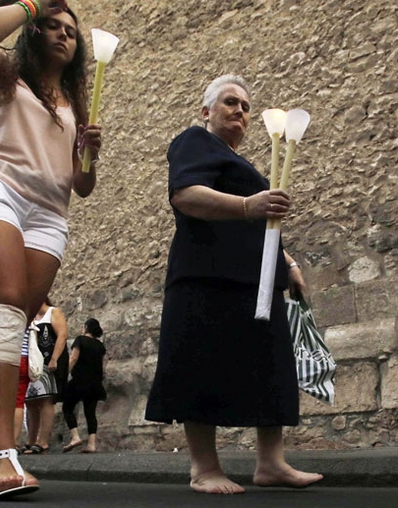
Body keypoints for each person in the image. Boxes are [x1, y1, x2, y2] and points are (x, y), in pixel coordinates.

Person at [0, 0, 102, 498]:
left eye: (71, 31)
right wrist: (32, 3)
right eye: (51, 26)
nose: (62, 34)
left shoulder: (75, 103)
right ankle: (1, 455)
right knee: (4, 304)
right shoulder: (5, 74)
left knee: (8, 326)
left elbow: (83, 187)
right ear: (33, 32)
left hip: (49, 213)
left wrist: (89, 153)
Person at [144, 75, 323, 494]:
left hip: (255, 281)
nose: (240, 110)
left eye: (245, 105)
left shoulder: (243, 165)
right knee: (202, 364)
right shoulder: (193, 141)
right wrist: (247, 204)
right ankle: (204, 468)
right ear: (206, 111)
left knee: (269, 365)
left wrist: (288, 262)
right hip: (206, 275)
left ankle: (271, 463)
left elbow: (264, 226)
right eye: (230, 102)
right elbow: (185, 195)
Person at [24, 299, 68, 454]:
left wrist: (54, 358)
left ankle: (42, 441)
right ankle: (30, 440)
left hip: (48, 361)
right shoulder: (29, 317)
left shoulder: (53, 312)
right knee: (30, 401)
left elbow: (62, 335)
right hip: (32, 363)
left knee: (46, 399)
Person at [61, 318, 106, 454]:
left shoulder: (80, 340)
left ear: (86, 327)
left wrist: (63, 375)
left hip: (79, 381)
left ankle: (75, 437)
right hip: (95, 383)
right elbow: (102, 365)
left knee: (67, 407)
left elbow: (73, 358)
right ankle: (92, 444)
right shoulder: (100, 346)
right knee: (90, 413)